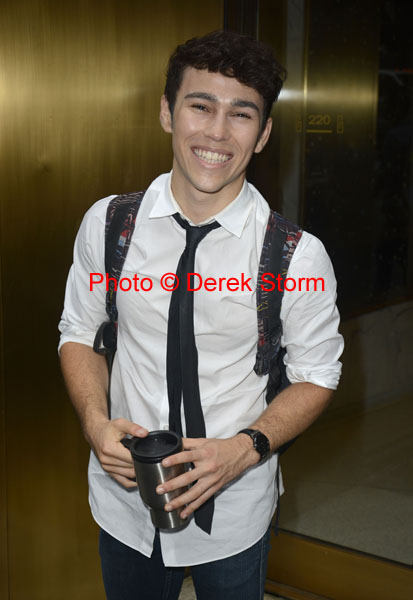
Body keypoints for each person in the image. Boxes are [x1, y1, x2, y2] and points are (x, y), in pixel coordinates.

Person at [59, 30, 343, 600]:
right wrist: (95, 423)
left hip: (234, 507)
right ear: (167, 113)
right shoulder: (110, 225)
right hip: (124, 502)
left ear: (263, 133)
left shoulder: (295, 255)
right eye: (200, 106)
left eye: (241, 114)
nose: (217, 132)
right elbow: (80, 333)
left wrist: (245, 449)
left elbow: (317, 375)